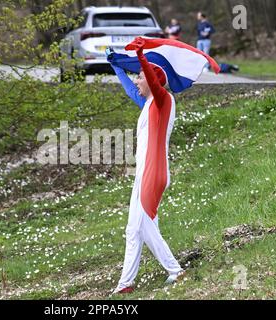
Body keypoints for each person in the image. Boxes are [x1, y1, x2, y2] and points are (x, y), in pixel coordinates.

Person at [106, 40, 185, 295]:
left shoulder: (164, 101)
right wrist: (116, 67)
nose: (137, 81)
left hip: (153, 171)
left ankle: (175, 271)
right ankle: (125, 284)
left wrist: (140, 54)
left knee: (143, 225)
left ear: (152, 80)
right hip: (144, 172)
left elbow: (150, 79)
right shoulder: (149, 106)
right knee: (133, 228)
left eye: (139, 76)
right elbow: (132, 90)